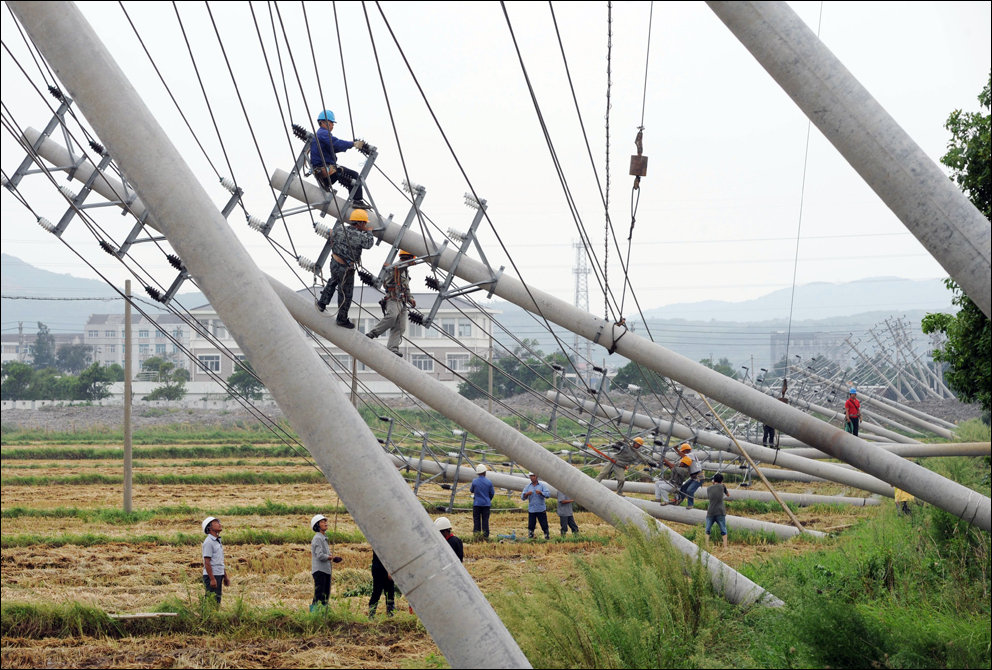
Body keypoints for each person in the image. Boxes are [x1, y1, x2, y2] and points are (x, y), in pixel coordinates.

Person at [316, 209, 375, 326]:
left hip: (334, 262)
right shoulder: (359, 235)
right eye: (365, 223)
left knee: (333, 281)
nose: (366, 225)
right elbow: (369, 244)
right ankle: (341, 319)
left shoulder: (340, 229)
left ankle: (322, 303)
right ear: (360, 223)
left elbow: (332, 235)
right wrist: (369, 232)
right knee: (345, 294)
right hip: (346, 268)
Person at [310, 109, 371, 209]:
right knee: (354, 175)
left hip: (322, 171)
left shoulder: (319, 135)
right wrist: (353, 144)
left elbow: (332, 148)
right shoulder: (323, 134)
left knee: (349, 177)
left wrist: (349, 145)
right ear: (323, 122)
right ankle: (357, 201)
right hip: (327, 171)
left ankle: (355, 199)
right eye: (331, 123)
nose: (333, 125)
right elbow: (336, 144)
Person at [367, 250, 416, 355]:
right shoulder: (395, 267)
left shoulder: (405, 271)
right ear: (408, 258)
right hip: (393, 299)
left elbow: (406, 287)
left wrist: (410, 298)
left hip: (402, 301)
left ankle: (393, 348)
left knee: (400, 326)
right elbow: (397, 269)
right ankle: (372, 333)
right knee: (392, 317)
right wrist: (408, 263)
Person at [309, 514, 343, 609]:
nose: (325, 523)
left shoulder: (323, 538)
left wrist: (332, 557)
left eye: (325, 521)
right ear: (317, 525)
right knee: (318, 595)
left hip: (326, 570)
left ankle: (323, 615)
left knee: (325, 595)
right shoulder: (318, 538)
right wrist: (332, 558)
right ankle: (313, 615)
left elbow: (325, 555)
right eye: (322, 522)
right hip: (320, 571)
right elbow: (320, 555)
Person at [201, 516, 230, 604]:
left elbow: (218, 561)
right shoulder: (209, 542)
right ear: (210, 528)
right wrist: (212, 579)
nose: (219, 524)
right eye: (216, 523)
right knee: (210, 600)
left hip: (218, 574)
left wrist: (225, 576)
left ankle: (213, 616)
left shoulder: (217, 541)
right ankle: (206, 617)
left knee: (217, 600)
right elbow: (207, 562)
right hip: (212, 575)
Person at [468, 463, 495, 539]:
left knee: (476, 520)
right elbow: (492, 493)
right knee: (485, 520)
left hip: (477, 504)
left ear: (478, 473)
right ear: (485, 472)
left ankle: (477, 535)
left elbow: (471, 490)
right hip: (486, 504)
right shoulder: (489, 482)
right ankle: (485, 536)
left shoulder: (475, 481)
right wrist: (488, 499)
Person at [521, 472, 551, 539]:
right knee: (531, 524)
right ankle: (531, 536)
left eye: (533, 476)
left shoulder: (542, 485)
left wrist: (541, 493)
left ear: (536, 476)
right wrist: (527, 494)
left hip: (541, 509)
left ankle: (546, 536)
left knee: (544, 524)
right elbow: (522, 497)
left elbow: (548, 494)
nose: (532, 478)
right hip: (532, 509)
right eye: (531, 476)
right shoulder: (528, 487)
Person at [705, 473, 730, 548]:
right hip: (720, 511)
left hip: (711, 511)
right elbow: (728, 495)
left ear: (714, 480)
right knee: (723, 530)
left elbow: (710, 497)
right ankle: (725, 547)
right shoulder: (722, 486)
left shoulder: (708, 488)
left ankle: (707, 546)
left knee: (707, 529)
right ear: (721, 480)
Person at [368, 551, 395, 617]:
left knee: (389, 593)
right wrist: (389, 570)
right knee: (377, 592)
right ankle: (371, 615)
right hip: (379, 569)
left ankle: (390, 615)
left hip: (379, 569)